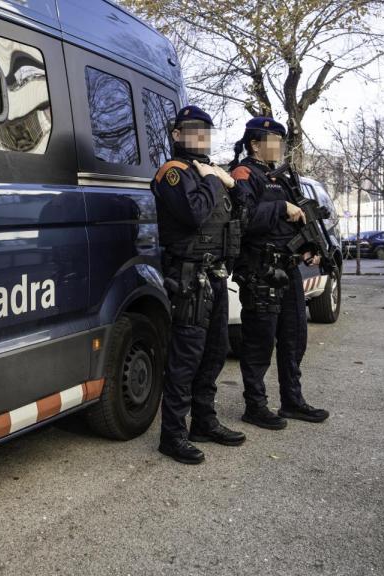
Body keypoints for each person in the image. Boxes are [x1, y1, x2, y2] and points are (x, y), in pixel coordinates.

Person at [152, 105, 246, 465]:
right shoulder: (173, 173)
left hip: (216, 275)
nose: (200, 136)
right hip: (189, 277)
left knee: (215, 350)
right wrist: (211, 178)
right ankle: (172, 435)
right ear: (177, 135)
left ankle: (204, 422)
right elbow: (194, 213)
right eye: (193, 130)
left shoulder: (210, 172)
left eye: (206, 130)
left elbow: (239, 213)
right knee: (186, 357)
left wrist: (230, 183)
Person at [228, 117, 330, 429]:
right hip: (260, 270)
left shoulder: (285, 178)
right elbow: (244, 219)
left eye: (280, 141)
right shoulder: (243, 174)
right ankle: (255, 406)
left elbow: (298, 218)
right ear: (254, 144)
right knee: (259, 342)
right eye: (272, 140)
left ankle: (292, 401)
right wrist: (281, 208)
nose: (278, 147)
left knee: (294, 337)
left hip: (288, 268)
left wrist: (310, 247)